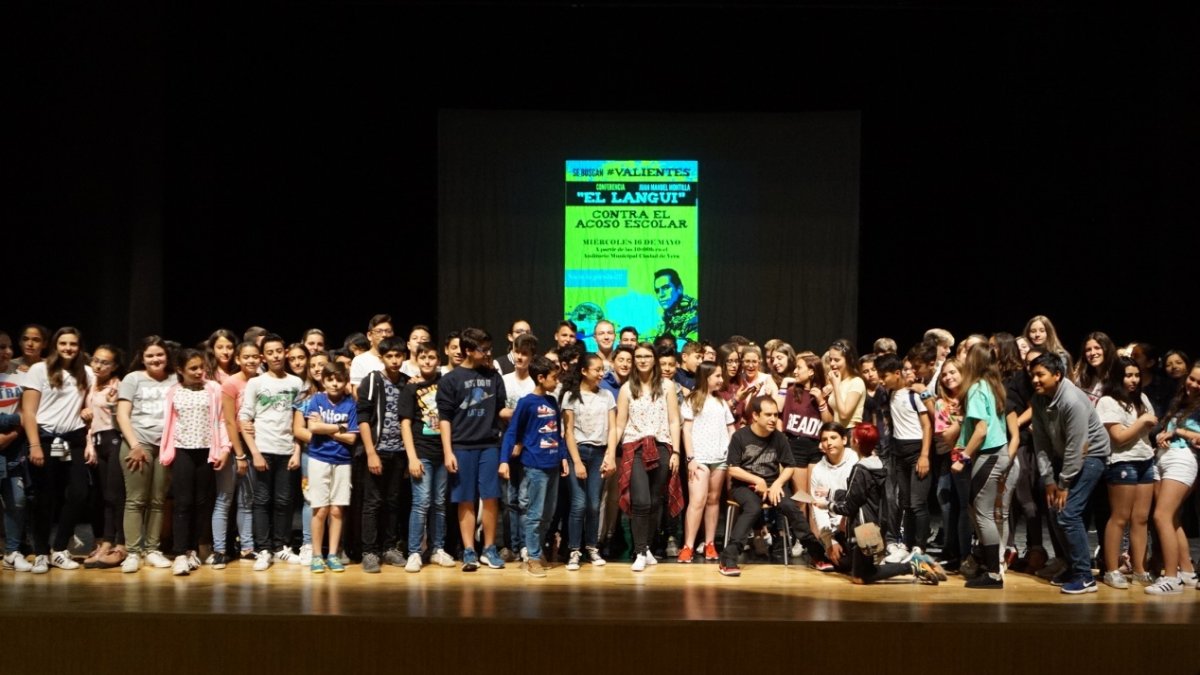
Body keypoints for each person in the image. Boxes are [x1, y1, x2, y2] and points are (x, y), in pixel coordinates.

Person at [816, 422, 942, 585]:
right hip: (873, 524)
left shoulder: (860, 469)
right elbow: (859, 495)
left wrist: (826, 504)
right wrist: (831, 492)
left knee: (861, 577)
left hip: (863, 529)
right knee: (860, 571)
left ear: (856, 442)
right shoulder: (876, 465)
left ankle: (912, 565)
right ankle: (914, 566)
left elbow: (849, 506)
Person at [1030, 352, 1111, 594]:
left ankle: (1085, 576)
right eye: (1032, 374)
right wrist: (1048, 481)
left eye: (1040, 375)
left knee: (1067, 514)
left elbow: (1079, 446)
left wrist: (1063, 484)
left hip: (1092, 456)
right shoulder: (1040, 399)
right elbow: (1041, 443)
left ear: (1057, 375)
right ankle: (1073, 566)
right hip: (1065, 458)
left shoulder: (1072, 401)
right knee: (1056, 512)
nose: (1035, 379)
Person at [718, 396, 824, 577]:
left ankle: (817, 555)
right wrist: (756, 480)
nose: (773, 419)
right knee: (753, 507)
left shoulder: (780, 437)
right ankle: (728, 558)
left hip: (773, 485)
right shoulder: (740, 436)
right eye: (768, 415)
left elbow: (790, 466)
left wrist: (777, 483)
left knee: (790, 506)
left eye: (775, 415)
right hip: (745, 486)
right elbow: (733, 469)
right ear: (755, 416)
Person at [436, 327, 507, 571]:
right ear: (468, 350)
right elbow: (444, 418)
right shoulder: (450, 380)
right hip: (461, 446)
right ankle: (469, 550)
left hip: (489, 445)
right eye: (483, 350)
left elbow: (500, 410)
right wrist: (448, 451)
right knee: (464, 499)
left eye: (489, 349)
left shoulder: (493, 376)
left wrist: (522, 411)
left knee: (490, 497)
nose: (488, 353)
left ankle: (488, 548)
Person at [611, 342, 683, 572]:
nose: (642, 360)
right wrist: (610, 452)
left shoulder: (667, 386)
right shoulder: (626, 389)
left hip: (662, 446)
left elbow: (674, 420)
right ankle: (640, 550)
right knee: (640, 501)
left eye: (647, 356)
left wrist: (677, 452)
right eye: (638, 356)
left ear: (654, 359)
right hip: (636, 447)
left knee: (654, 502)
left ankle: (648, 547)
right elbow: (619, 424)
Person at [160, 348, 230, 576]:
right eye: (193, 368)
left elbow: (221, 420)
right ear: (180, 370)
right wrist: (167, 452)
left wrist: (224, 449)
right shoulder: (174, 391)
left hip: (206, 451)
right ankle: (179, 553)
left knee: (202, 503)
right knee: (182, 502)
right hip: (183, 451)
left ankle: (191, 549)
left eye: (202, 367)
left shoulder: (214, 389)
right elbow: (169, 424)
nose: (200, 371)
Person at [239, 333, 305, 571]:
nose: (276, 356)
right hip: (263, 450)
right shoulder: (255, 383)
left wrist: (297, 451)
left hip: (286, 450)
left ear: (285, 352)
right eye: (270, 352)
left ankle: (281, 547)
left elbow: (301, 421)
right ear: (263, 357)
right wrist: (254, 452)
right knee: (261, 500)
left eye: (279, 351)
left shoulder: (296, 383)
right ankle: (263, 549)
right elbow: (244, 417)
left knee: (284, 501)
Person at [951, 343, 1013, 589]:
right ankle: (987, 565)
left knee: (982, 512)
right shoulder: (991, 385)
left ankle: (994, 574)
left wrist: (963, 457)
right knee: (974, 508)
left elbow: (981, 430)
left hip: (990, 454)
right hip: (994, 454)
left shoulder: (978, 387)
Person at [500, 356, 569, 577]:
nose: (557, 381)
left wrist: (563, 457)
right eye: (553, 377)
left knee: (548, 514)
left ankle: (537, 552)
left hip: (553, 465)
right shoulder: (526, 402)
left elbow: (558, 433)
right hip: (534, 466)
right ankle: (532, 556)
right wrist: (504, 460)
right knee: (534, 513)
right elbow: (513, 432)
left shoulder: (552, 401)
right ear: (540, 378)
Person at [1096, 356, 1157, 589]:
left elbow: (1150, 423)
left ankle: (1139, 568)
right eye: (1128, 375)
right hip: (1122, 462)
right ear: (1117, 377)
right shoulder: (1107, 402)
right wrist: (1141, 422)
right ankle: (1111, 570)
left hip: (1145, 460)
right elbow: (1119, 438)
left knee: (1141, 519)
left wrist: (1141, 424)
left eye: (1136, 375)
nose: (1133, 380)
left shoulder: (1141, 398)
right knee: (1120, 517)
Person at [114, 335, 174, 573]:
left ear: (167, 356)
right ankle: (133, 552)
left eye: (159, 354)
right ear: (142, 357)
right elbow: (122, 415)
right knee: (136, 500)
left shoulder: (175, 380)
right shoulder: (133, 378)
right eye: (149, 355)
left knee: (158, 501)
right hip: (138, 444)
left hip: (166, 446)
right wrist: (135, 444)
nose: (155, 359)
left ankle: (152, 550)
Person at [293, 361, 357, 573]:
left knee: (337, 510)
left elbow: (351, 438)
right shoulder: (317, 400)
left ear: (345, 381)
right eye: (330, 379)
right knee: (319, 509)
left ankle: (333, 554)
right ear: (323, 380)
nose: (335, 384)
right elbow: (312, 427)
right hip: (318, 458)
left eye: (339, 379)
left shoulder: (350, 404)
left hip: (342, 461)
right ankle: (317, 555)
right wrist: (338, 427)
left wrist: (325, 428)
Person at [399, 342, 456, 572]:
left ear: (438, 359)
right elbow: (405, 424)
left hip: (442, 452)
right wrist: (412, 457)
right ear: (417, 359)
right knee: (421, 503)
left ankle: (437, 549)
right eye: (423, 357)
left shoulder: (445, 384)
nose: (427, 361)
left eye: (431, 357)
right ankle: (414, 551)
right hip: (421, 452)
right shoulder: (410, 388)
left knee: (440, 503)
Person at [356, 338, 411, 573]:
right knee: (372, 502)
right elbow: (363, 418)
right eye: (390, 356)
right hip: (378, 450)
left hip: (399, 452)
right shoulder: (373, 380)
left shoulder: (408, 383)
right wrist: (371, 452)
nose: (395, 360)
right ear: (382, 357)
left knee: (393, 501)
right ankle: (369, 551)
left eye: (399, 356)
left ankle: (389, 547)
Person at [1146, 362, 1200, 594]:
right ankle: (1186, 571)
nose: (1194, 385)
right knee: (1172, 518)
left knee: (1162, 516)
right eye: (1192, 379)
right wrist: (1162, 436)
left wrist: (1178, 432)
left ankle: (1171, 577)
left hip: (1184, 459)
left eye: (1199, 382)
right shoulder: (1181, 401)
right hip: (1164, 457)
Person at [560, 352, 616, 570]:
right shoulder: (571, 396)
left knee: (594, 504)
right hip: (579, 452)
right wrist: (577, 462)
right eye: (597, 369)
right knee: (578, 503)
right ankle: (574, 549)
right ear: (584, 371)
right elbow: (569, 432)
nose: (601, 373)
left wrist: (610, 455)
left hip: (599, 453)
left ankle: (592, 546)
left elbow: (612, 428)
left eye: (603, 369)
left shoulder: (607, 396)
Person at [877, 353, 933, 561]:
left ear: (897, 373)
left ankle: (920, 546)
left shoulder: (914, 394)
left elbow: (927, 425)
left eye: (885, 376)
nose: (882, 380)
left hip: (916, 450)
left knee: (918, 503)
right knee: (906, 502)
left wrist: (924, 455)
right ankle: (908, 544)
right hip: (898, 452)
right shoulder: (891, 394)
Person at [678, 362, 734, 563]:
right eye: (717, 375)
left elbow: (730, 428)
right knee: (697, 501)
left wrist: (731, 452)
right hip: (700, 459)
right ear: (706, 377)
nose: (721, 379)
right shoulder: (692, 400)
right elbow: (686, 430)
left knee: (713, 500)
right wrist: (691, 458)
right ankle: (688, 545)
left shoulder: (721, 402)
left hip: (720, 458)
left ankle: (710, 543)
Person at [79, 344, 125, 569]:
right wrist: (89, 444)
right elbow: (90, 420)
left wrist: (114, 405)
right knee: (103, 495)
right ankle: (106, 541)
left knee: (115, 495)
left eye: (105, 362)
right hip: (97, 441)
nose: (98, 365)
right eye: (96, 360)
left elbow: (122, 416)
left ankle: (119, 543)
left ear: (115, 366)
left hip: (114, 439)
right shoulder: (90, 386)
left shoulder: (118, 385)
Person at [215, 340, 260, 568]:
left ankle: (247, 547)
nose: (251, 360)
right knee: (225, 499)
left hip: (256, 445)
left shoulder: (263, 381)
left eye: (255, 356)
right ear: (238, 359)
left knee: (247, 500)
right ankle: (220, 550)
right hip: (233, 445)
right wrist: (239, 454)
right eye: (246, 357)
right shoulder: (231, 383)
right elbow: (230, 421)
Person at [808, 423, 859, 572]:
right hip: (836, 530)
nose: (829, 443)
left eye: (833, 437)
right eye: (824, 439)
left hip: (857, 524)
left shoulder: (855, 460)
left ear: (844, 440)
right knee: (842, 564)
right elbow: (818, 508)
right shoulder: (818, 470)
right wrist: (830, 542)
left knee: (860, 566)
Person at [0, 332, 32, 571]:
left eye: (9, 347)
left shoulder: (21, 377)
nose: (7, 352)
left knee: (17, 500)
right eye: (2, 347)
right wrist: (9, 420)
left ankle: (12, 552)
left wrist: (11, 433)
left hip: (13, 448)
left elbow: (27, 414)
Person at [826, 340, 866, 430]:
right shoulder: (839, 381)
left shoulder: (856, 382)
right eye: (830, 359)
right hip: (837, 430)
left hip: (850, 432)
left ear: (848, 360)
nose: (832, 363)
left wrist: (836, 386)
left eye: (836, 360)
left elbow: (844, 414)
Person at [349, 314, 394, 393]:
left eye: (388, 331)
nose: (384, 335)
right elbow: (357, 391)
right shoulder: (360, 361)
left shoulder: (397, 359)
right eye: (379, 331)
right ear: (369, 335)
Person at [651, 268, 698, 343]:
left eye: (666, 288)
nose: (661, 294)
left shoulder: (695, 314)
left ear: (679, 289)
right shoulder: (666, 319)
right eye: (657, 291)